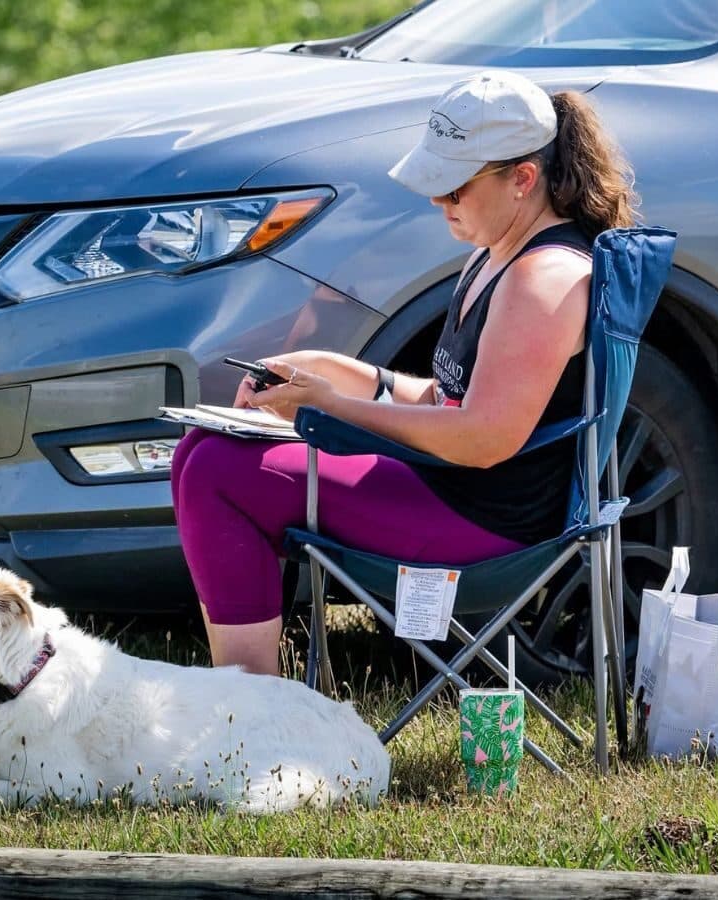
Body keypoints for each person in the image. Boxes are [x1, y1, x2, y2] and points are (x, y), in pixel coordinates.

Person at [170, 70, 638, 676]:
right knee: (200, 449)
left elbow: (483, 438)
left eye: (454, 188)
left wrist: (330, 407)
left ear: (523, 179)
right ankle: (243, 695)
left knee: (217, 468)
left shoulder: (541, 280)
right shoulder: (495, 254)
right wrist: (326, 371)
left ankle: (246, 706)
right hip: (450, 488)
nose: (439, 203)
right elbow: (448, 399)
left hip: (487, 528)